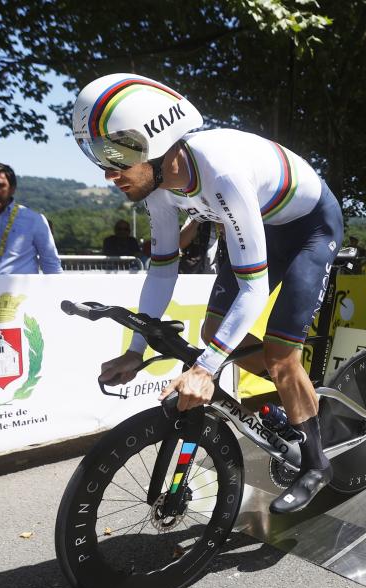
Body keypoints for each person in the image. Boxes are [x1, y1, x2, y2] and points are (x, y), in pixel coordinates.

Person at [73, 73, 344, 514]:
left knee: (278, 354)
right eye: (98, 156)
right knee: (214, 328)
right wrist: (136, 349)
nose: (108, 173)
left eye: (116, 155)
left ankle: (316, 464)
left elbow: (254, 289)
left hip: (310, 225)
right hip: (267, 224)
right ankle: (292, 393)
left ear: (157, 142)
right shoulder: (159, 188)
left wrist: (207, 369)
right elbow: (162, 269)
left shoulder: (224, 172)